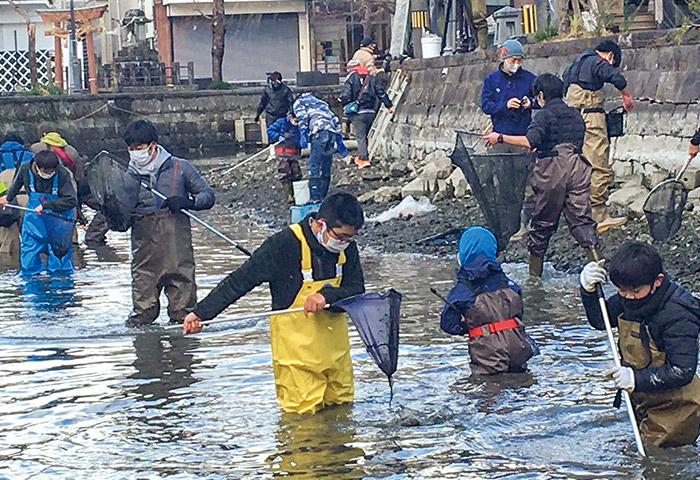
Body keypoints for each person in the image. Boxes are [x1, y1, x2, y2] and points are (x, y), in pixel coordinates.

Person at [182, 193, 366, 414]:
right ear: (320, 224)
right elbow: (239, 281)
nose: (344, 243)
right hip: (297, 361)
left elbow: (357, 289)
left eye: (350, 238)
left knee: (343, 412)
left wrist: (327, 296)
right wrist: (201, 313)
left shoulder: (346, 248)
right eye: (342, 237)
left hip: (337, 357)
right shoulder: (282, 245)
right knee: (304, 424)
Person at [579, 241, 700, 447]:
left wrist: (634, 378)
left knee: (661, 461)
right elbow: (603, 321)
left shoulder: (678, 314)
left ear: (658, 280)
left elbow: (682, 370)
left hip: (678, 408)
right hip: (645, 399)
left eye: (634, 291)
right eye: (621, 290)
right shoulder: (630, 298)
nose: (628, 297)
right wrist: (589, 292)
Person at [482, 74, 598, 277]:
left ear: (541, 95)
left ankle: (534, 280)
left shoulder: (544, 115)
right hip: (579, 167)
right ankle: (598, 268)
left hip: (552, 170)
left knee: (542, 225)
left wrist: (499, 137)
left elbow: (530, 140)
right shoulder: (576, 114)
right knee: (582, 220)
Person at [122, 120, 215, 326]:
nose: (135, 153)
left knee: (184, 314)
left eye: (139, 148)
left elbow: (208, 196)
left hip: (178, 250)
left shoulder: (180, 167)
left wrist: (188, 202)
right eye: (131, 149)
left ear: (153, 145)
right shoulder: (127, 176)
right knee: (141, 317)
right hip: (144, 253)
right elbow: (118, 220)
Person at [439, 226, 535, 375]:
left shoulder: (463, 288)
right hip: (518, 346)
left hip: (488, 353)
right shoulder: (508, 282)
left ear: (463, 252)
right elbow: (519, 311)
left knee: (488, 388)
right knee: (521, 381)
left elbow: (448, 324)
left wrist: (470, 324)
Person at [563, 40, 634, 232]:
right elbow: (614, 77)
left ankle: (578, 213)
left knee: (578, 167)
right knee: (599, 164)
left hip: (572, 120)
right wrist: (625, 94)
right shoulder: (597, 62)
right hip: (591, 118)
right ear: (610, 55)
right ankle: (599, 215)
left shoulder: (573, 65)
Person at [480, 39, 536, 241]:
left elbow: (541, 100)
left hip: (522, 138)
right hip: (500, 139)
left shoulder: (530, 79)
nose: (517, 63)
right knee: (503, 183)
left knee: (526, 183)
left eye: (520, 60)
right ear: (504, 58)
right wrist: (504, 105)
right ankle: (506, 225)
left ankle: (525, 223)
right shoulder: (491, 80)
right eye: (514, 59)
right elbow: (486, 105)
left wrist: (530, 103)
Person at [0, 150, 77, 275]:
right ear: (38, 167)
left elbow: (71, 200)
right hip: (34, 220)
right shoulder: (25, 168)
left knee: (59, 259)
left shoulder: (62, 173)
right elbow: (16, 184)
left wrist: (47, 205)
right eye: (47, 171)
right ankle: (31, 280)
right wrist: (8, 198)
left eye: (53, 171)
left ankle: (61, 282)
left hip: (58, 220)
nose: (50, 173)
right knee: (29, 252)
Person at [293, 93, 348, 202]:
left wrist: (303, 132)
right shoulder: (321, 103)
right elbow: (334, 118)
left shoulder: (299, 102)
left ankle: (315, 197)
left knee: (314, 164)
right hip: (331, 132)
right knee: (326, 165)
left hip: (318, 131)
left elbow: (302, 117)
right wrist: (339, 139)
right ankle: (323, 196)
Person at [339, 60, 393, 169]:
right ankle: (366, 155)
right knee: (366, 135)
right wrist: (389, 105)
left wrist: (343, 101)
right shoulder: (372, 78)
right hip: (371, 111)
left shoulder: (351, 78)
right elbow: (381, 92)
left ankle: (363, 159)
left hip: (358, 112)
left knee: (360, 137)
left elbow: (346, 94)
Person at [0, 134, 33, 255]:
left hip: (5, 200)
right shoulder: (30, 156)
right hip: (27, 197)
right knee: (32, 235)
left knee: (8, 239)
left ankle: (9, 266)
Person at [267, 113, 303, 204]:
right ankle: (289, 195)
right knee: (284, 172)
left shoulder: (300, 126)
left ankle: (297, 194)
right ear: (291, 117)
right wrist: (278, 136)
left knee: (296, 173)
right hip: (282, 152)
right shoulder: (281, 122)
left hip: (293, 153)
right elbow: (270, 130)